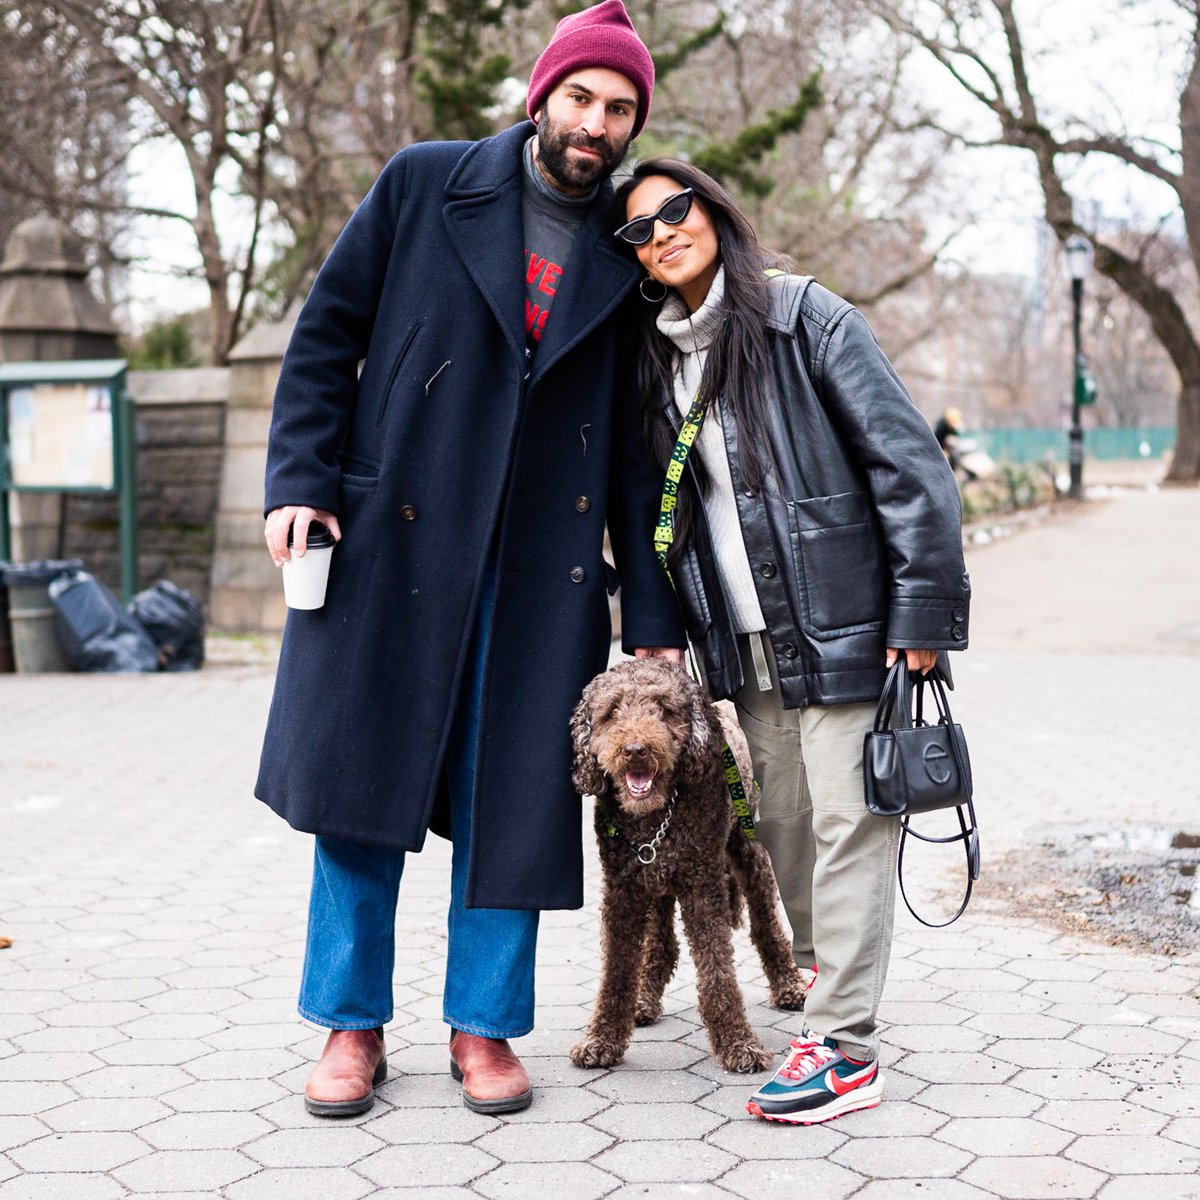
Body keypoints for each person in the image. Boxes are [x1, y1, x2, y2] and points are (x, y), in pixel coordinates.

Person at [256, 0, 685, 1119]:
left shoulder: (624, 254)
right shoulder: (424, 181)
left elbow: (642, 448)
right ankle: (350, 1028)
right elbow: (326, 334)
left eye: (620, 109)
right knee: (363, 785)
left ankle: (483, 1029)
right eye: (582, 98)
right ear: (543, 96)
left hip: (544, 568)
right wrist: (300, 482)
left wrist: (650, 611)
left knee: (518, 801)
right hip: (393, 536)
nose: (596, 122)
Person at [612, 159, 971, 1124]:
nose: (663, 234)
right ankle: (828, 987)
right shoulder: (657, 360)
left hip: (848, 628)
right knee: (781, 829)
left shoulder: (807, 320)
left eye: (675, 210)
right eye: (639, 231)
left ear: (713, 209)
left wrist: (923, 617)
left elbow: (910, 468)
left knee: (851, 823)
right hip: (746, 644)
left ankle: (846, 1049)